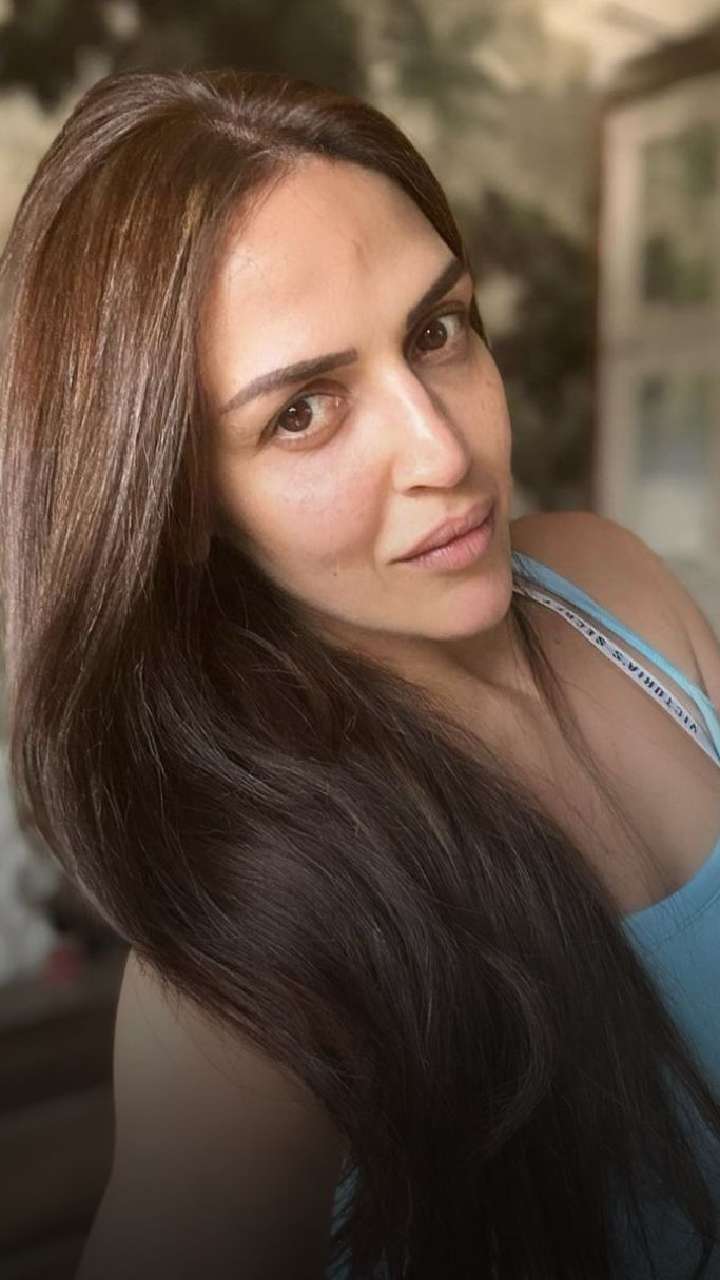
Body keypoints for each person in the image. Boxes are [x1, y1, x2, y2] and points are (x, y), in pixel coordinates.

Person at [0, 66, 718, 1280]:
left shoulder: (614, 588)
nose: (445, 449)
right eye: (303, 410)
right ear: (183, 504)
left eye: (437, 332)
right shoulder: (238, 998)